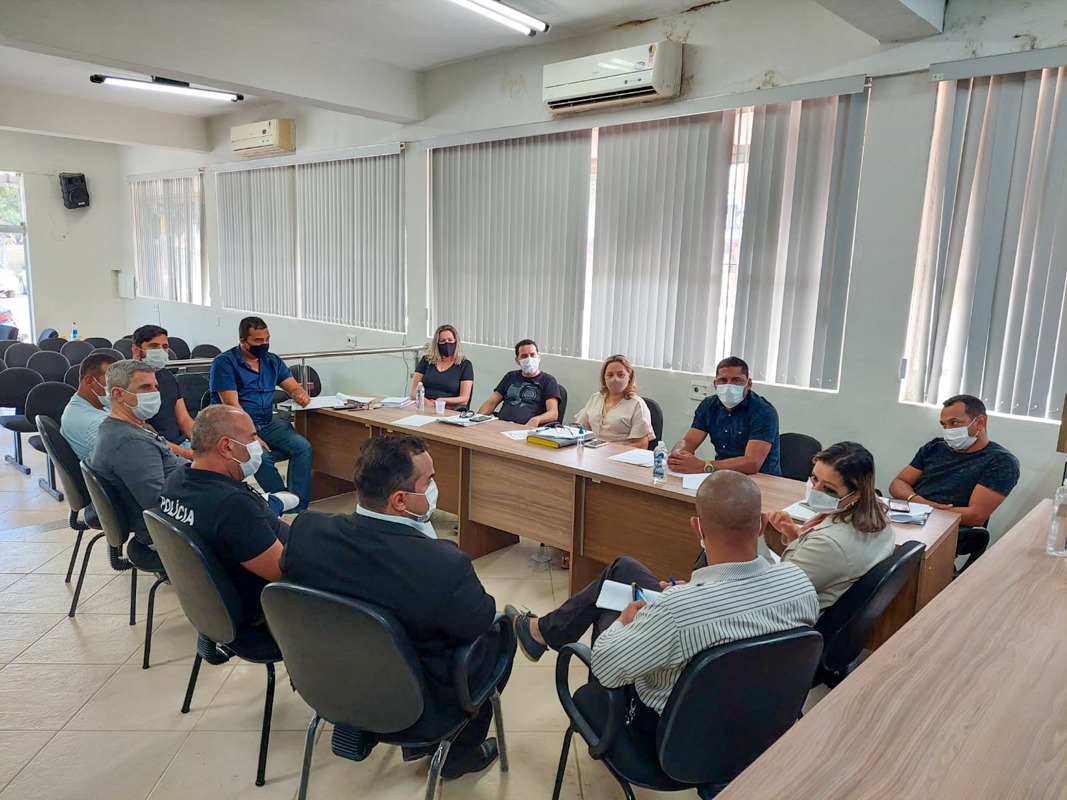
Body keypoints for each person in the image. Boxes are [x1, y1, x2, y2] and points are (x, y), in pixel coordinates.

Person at [505, 471, 818, 733]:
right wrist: (687, 592)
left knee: (617, 605)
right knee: (624, 568)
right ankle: (544, 630)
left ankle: (593, 713)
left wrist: (624, 622)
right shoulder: (800, 583)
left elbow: (606, 668)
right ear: (762, 524)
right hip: (759, 724)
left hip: (674, 737)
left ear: (697, 527)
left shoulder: (676, 611)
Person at [281, 434, 512, 779]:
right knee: (500, 637)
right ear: (400, 499)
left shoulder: (308, 531)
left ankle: (361, 725)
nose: (436, 486)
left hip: (326, 683)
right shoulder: (443, 564)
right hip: (417, 707)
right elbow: (478, 622)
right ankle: (459, 756)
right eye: (429, 480)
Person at [160, 405, 289, 624]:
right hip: (266, 608)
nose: (257, 445)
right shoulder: (232, 506)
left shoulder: (177, 480)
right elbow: (285, 572)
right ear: (227, 447)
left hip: (212, 605)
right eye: (252, 437)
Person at [889, 394, 1020, 571]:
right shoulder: (936, 447)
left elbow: (975, 515)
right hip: (910, 514)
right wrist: (920, 502)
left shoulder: (1001, 462)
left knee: (886, 551)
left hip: (948, 529)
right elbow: (898, 483)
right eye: (944, 425)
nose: (948, 430)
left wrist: (924, 509)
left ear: (980, 422)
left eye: (954, 423)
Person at [767, 442, 894, 610]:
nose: (815, 490)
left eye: (828, 489)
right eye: (814, 478)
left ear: (856, 494)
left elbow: (772, 593)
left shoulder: (830, 543)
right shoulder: (876, 514)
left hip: (794, 615)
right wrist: (795, 535)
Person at [209, 317, 313, 510]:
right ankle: (281, 502)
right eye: (258, 341)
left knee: (303, 447)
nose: (264, 344)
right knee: (261, 458)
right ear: (243, 341)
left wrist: (300, 394)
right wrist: (252, 436)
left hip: (267, 421)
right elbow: (232, 406)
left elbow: (292, 387)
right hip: (235, 427)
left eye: (266, 339)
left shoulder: (271, 360)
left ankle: (298, 504)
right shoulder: (224, 363)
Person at [87, 359, 186, 551]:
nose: (155, 393)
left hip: (179, 507)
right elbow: (159, 504)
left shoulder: (129, 427)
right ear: (118, 394)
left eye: (156, 387)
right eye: (145, 387)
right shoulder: (129, 443)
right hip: (170, 534)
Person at [668, 356, 781, 476]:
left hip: (761, 479)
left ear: (749, 384)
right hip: (721, 475)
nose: (729, 385)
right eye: (723, 380)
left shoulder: (763, 411)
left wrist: (703, 466)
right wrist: (678, 455)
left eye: (736, 380)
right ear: (715, 383)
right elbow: (689, 441)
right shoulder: (708, 406)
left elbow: (751, 463)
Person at [131, 324, 194, 460]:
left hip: (181, 445)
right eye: (154, 346)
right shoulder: (128, 382)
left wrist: (203, 443)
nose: (160, 351)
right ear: (136, 349)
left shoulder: (167, 376)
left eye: (164, 347)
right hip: (155, 449)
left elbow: (184, 419)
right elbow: (142, 432)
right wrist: (184, 453)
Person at [575, 354, 653, 448]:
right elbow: (579, 428)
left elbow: (641, 445)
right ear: (604, 377)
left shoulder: (637, 404)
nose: (615, 379)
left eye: (621, 375)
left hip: (620, 457)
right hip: (592, 454)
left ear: (630, 376)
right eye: (610, 375)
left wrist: (610, 451)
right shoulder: (596, 398)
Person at [477, 339, 560, 426]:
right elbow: (492, 402)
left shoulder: (548, 381)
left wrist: (537, 419)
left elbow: (553, 413)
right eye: (524, 356)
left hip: (526, 429)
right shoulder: (510, 376)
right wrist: (476, 418)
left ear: (539, 357)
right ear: (517, 360)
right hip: (500, 425)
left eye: (532, 355)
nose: (529, 359)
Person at [60, 351, 117, 461]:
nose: (118, 387)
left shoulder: (87, 403)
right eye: (112, 380)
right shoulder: (96, 425)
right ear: (90, 381)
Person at [410, 324, 474, 409]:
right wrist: (426, 402)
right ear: (437, 344)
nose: (447, 343)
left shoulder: (465, 365)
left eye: (450, 340)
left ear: (456, 341)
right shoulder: (426, 361)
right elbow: (413, 392)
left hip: (447, 408)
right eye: (443, 341)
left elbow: (464, 399)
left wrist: (441, 400)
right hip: (424, 405)